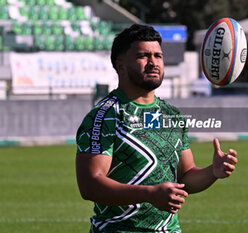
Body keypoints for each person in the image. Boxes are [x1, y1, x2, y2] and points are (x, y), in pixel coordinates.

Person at [75, 24, 238, 233]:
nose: (153, 63)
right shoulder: (104, 116)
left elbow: (186, 177)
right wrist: (149, 194)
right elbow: (90, 185)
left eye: (158, 56)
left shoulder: (171, 115)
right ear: (121, 65)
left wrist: (212, 172)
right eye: (143, 56)